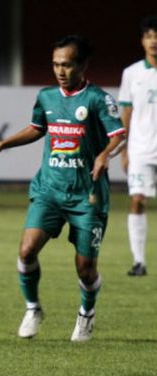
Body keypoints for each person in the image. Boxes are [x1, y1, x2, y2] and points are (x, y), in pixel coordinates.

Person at [0, 35, 126, 342]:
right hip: (49, 190)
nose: (60, 70)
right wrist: (2, 145)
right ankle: (33, 308)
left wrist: (102, 155)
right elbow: (37, 128)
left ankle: (86, 313)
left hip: (87, 195)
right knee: (26, 250)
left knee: (85, 269)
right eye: (56, 64)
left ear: (83, 65)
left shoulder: (99, 99)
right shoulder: (46, 97)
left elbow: (118, 134)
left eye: (67, 64)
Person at [118, 16, 157, 277]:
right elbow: (126, 114)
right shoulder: (132, 74)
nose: (154, 41)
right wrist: (122, 148)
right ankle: (139, 261)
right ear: (142, 41)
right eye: (149, 36)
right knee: (137, 200)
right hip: (140, 148)